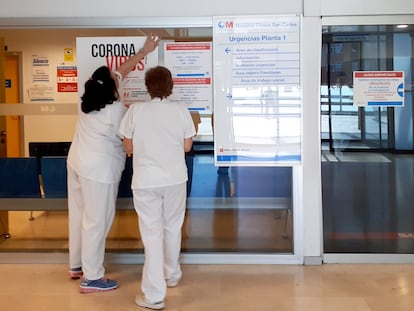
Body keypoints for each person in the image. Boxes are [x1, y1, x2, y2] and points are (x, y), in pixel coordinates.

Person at [66, 33, 160, 293]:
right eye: (115, 80)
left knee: (79, 215)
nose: (118, 78)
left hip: (76, 162)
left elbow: (121, 70)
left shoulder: (89, 99)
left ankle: (77, 265)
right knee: (97, 221)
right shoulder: (116, 111)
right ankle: (93, 277)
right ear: (112, 90)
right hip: (98, 170)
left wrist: (144, 52)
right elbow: (131, 138)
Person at [119, 66, 196, 310]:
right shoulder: (180, 110)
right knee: (173, 226)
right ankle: (171, 275)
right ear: (170, 85)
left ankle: (153, 295)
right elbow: (187, 147)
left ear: (147, 86)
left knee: (151, 234)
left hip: (145, 181)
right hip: (175, 178)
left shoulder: (136, 111)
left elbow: (127, 147)